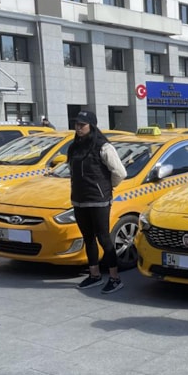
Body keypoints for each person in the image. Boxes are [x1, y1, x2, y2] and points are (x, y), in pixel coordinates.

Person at [68, 110, 127, 294]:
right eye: (76, 124)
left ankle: (115, 278)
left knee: (103, 238)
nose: (78, 128)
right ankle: (94, 275)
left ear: (91, 126)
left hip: (99, 200)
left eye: (82, 125)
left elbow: (120, 172)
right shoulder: (74, 147)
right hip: (79, 200)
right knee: (88, 238)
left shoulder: (104, 147)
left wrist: (107, 187)